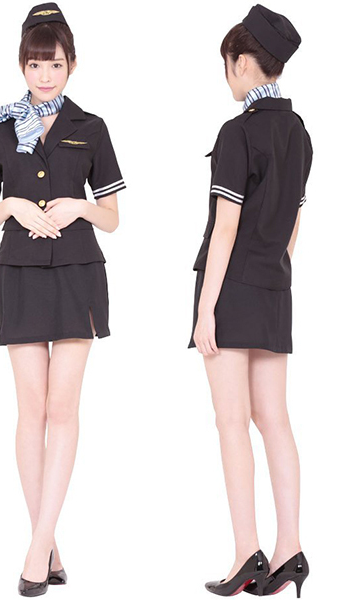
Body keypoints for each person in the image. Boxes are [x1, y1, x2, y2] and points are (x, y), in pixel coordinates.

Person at [0, 3, 126, 596]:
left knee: (63, 409)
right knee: (30, 411)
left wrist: (80, 205)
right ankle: (48, 543)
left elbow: (112, 217)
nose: (45, 75)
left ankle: (37, 551)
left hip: (79, 273)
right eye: (35, 64)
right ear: (21, 66)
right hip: (20, 274)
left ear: (72, 64)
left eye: (55, 64)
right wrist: (11, 205)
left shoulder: (92, 126)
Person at [187, 4, 312, 597]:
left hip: (232, 289)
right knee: (275, 420)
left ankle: (247, 554)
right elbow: (293, 223)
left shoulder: (237, 132)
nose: (227, 78)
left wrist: (205, 308)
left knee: (232, 421)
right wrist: (274, 273)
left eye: (227, 66)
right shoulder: (299, 132)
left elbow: (226, 227)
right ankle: (291, 550)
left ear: (240, 62)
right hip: (275, 285)